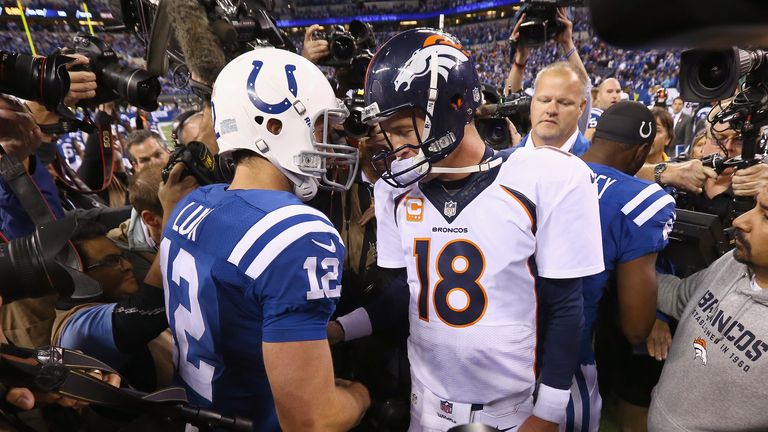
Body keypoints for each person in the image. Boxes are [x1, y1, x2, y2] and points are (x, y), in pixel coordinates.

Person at [362, 29, 603, 431]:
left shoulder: (544, 176)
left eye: (405, 130)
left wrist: (546, 414)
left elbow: (565, 307)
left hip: (510, 413)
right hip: (424, 408)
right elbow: (407, 296)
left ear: (453, 106)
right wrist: (339, 328)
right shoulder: (396, 192)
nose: (397, 147)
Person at [160, 47, 369, 431]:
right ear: (274, 126)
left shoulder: (191, 204)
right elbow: (312, 422)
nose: (327, 142)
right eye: (320, 127)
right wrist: (360, 394)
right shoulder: (297, 233)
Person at [580, 102, 676, 432]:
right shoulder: (642, 198)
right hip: (567, 354)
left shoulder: (539, 169)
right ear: (641, 153)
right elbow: (637, 327)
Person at [647, 188, 768, 431]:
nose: (739, 221)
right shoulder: (732, 263)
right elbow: (678, 296)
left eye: (766, 216)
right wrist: (628, 270)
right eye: (755, 206)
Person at [506, 7, 592, 135]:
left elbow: (585, 90)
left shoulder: (575, 144)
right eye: (544, 100)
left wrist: (567, 43)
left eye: (563, 102)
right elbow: (510, 101)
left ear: (580, 108)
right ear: (532, 104)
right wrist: (520, 57)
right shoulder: (522, 149)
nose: (551, 109)